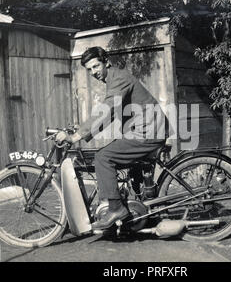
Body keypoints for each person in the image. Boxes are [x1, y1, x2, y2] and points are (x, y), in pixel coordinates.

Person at [56, 46, 168, 230]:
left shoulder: (119, 78)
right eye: (89, 69)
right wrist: (84, 130)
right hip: (144, 130)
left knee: (103, 157)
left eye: (96, 66)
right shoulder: (114, 79)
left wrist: (76, 136)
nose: (93, 72)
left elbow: (106, 110)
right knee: (119, 159)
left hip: (148, 132)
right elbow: (110, 114)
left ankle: (116, 208)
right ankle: (137, 207)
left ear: (106, 61)